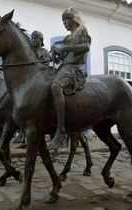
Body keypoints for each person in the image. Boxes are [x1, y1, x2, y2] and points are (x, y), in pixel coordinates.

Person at [48, 7, 91, 151]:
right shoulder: (67, 38)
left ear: (73, 19)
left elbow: (85, 47)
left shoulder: (82, 31)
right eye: (63, 21)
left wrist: (64, 49)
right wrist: (56, 53)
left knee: (55, 86)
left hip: (75, 69)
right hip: (65, 67)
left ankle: (61, 130)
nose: (64, 23)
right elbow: (64, 56)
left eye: (66, 20)